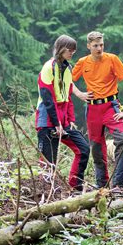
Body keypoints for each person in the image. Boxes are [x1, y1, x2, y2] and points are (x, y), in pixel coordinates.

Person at [72, 31, 123, 189]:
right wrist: (79, 93)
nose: (99, 48)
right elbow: (66, 80)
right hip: (93, 109)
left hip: (111, 106)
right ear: (88, 46)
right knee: (96, 148)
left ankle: (119, 184)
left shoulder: (112, 59)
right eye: (95, 46)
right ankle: (101, 187)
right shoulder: (82, 62)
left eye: (101, 45)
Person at [35, 35, 90, 191]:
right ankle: (44, 192)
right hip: (47, 119)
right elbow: (47, 98)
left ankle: (75, 187)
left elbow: (67, 95)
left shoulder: (68, 68)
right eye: (69, 49)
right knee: (48, 160)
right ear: (61, 49)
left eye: (74, 50)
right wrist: (56, 123)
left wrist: (70, 119)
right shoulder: (48, 67)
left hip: (64, 120)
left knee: (84, 149)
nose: (72, 52)